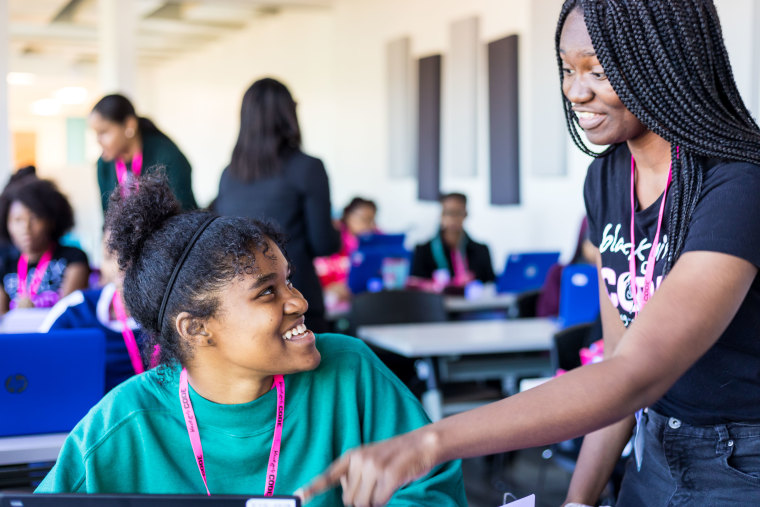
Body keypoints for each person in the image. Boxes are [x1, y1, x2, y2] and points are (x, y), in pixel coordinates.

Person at [300, 1, 760, 505]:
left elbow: (634, 376)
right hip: (653, 450)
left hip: (740, 461)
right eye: (567, 69)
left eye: (598, 71)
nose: (575, 91)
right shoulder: (608, 179)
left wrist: (429, 440)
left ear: (665, 63)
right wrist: (578, 500)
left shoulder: (740, 185)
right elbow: (615, 362)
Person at [35, 174, 466, 505]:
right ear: (196, 328)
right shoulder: (124, 424)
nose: (298, 302)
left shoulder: (349, 371)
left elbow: (433, 485)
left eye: (289, 281)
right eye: (267, 292)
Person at [215, 78, 340, 332]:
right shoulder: (308, 168)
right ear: (288, 116)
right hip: (297, 299)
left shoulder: (228, 175)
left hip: (244, 306)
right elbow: (323, 243)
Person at [39, 228, 147, 392]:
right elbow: (38, 362)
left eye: (134, 253)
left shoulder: (176, 314)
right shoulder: (74, 310)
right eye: (110, 256)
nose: (121, 264)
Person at [90, 94, 198, 213]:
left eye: (104, 132)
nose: (98, 141)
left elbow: (185, 218)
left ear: (129, 125)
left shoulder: (168, 156)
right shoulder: (104, 165)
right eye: (96, 133)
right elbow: (107, 220)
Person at [0, 178, 89, 314]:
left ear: (51, 220)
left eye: (34, 218)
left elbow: (68, 315)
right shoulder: (4, 264)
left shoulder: (74, 258)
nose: (26, 228)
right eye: (18, 220)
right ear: (7, 224)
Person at [410, 192, 495, 287]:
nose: (453, 218)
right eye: (449, 213)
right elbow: (416, 286)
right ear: (441, 216)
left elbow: (491, 286)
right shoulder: (423, 251)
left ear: (466, 215)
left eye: (458, 213)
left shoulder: (481, 251)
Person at [314, 197, 378, 307]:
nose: (370, 226)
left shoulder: (375, 241)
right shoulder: (331, 241)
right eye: (365, 219)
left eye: (372, 220)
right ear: (348, 216)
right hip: (331, 300)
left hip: (363, 301)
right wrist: (328, 287)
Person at [536, 216, 595, 317]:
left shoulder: (615, 277)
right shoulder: (559, 273)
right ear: (582, 241)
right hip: (569, 331)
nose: (599, 248)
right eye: (593, 241)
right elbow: (546, 316)